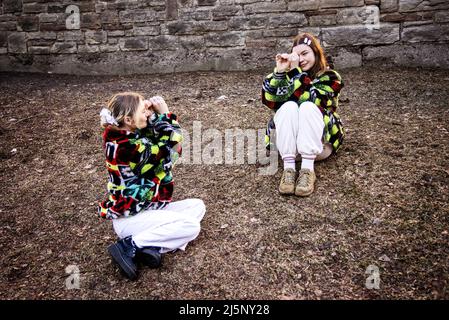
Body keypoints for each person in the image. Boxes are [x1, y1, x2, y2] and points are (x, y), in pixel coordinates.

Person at [98, 92, 206, 280]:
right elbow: (171, 150)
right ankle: (129, 246)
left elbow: (155, 140)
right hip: (130, 218)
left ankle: (148, 247)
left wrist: (152, 115)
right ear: (129, 119)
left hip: (144, 211)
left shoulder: (127, 136)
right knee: (191, 227)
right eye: (143, 111)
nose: (147, 114)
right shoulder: (127, 147)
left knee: (197, 206)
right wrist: (165, 115)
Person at [261, 32, 345, 197]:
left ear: (315, 52)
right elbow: (269, 100)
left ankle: (307, 170)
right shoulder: (286, 75)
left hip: (318, 146)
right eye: (296, 55)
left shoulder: (331, 77)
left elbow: (314, 99)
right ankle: (289, 170)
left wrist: (294, 73)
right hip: (288, 148)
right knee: (288, 106)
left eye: (305, 53)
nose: (301, 59)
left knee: (307, 106)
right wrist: (279, 73)